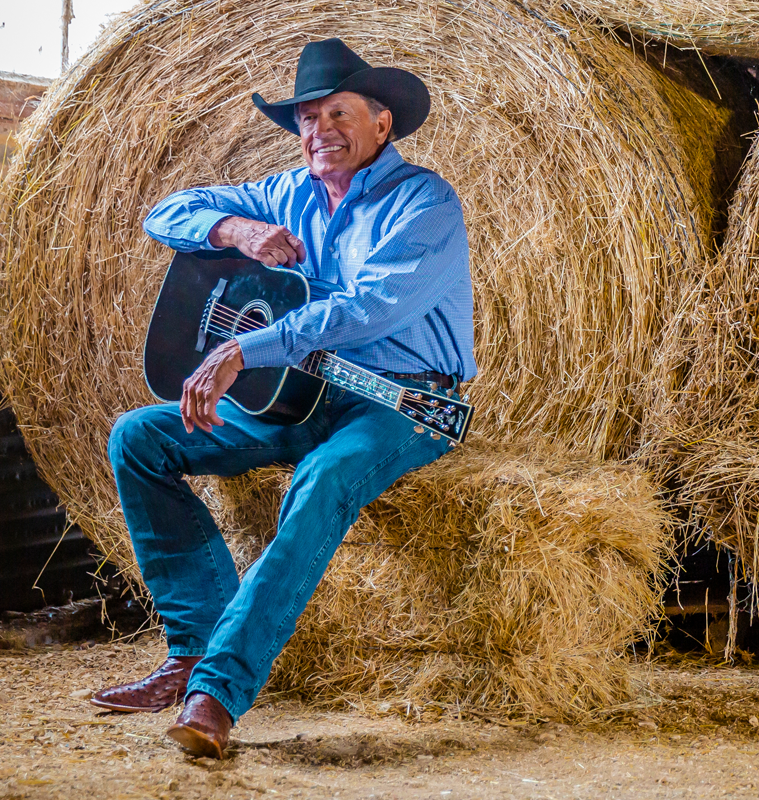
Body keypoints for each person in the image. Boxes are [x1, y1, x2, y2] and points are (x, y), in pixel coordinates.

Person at [87, 37, 475, 759]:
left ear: (382, 124)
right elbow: (166, 213)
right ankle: (191, 652)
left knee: (323, 476)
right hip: (295, 400)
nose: (319, 131)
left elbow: (369, 309)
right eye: (306, 117)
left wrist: (245, 348)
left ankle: (216, 694)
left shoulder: (424, 203)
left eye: (338, 113)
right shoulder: (285, 193)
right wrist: (237, 228)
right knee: (140, 438)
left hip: (401, 404)